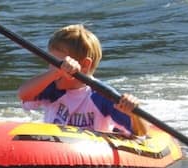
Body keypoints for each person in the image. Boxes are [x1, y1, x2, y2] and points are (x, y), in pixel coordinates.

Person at [18, 24, 148, 137]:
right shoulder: (52, 87)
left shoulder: (102, 96)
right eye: (51, 62)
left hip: (89, 157)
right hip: (54, 152)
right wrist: (55, 72)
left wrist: (133, 114)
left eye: (57, 63)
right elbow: (23, 94)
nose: (52, 68)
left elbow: (140, 133)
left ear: (85, 65)